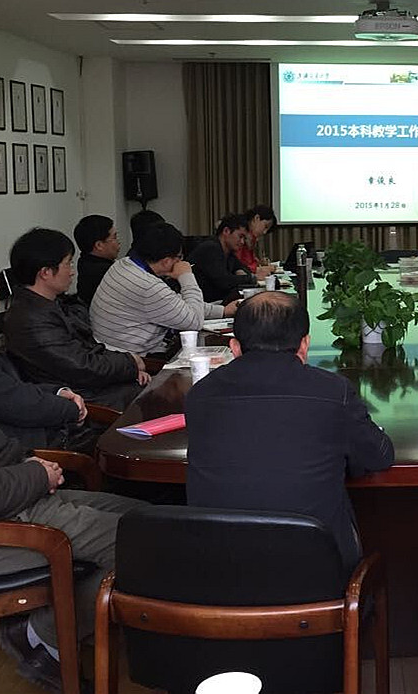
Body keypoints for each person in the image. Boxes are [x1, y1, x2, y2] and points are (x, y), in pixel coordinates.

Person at [185, 292, 394, 574]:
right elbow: (379, 456)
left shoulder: (200, 395)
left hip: (218, 570)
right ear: (304, 344)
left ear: (234, 347)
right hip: (317, 571)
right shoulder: (333, 391)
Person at [0, 399, 143, 691]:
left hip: (13, 498)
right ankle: (43, 635)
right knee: (144, 543)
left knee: (143, 517)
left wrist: (29, 462)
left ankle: (45, 630)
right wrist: (38, 475)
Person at [3, 228, 148, 410]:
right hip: (81, 398)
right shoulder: (31, 320)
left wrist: (129, 365)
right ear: (45, 272)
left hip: (90, 386)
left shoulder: (50, 304)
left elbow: (88, 349)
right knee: (158, 398)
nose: (72, 272)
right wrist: (130, 363)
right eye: (68, 264)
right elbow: (82, 367)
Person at [0, 257, 94, 452]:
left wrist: (58, 392)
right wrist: (71, 409)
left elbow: (12, 387)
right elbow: (14, 403)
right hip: (21, 449)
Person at [91, 222, 238, 355]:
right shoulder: (147, 286)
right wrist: (187, 276)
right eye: (179, 257)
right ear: (166, 261)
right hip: (135, 359)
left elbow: (174, 304)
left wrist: (223, 311)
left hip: (111, 351)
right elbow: (194, 322)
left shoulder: (124, 264)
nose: (181, 262)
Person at [187, 213, 270, 303]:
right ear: (226, 231)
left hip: (216, 300)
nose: (242, 242)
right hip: (203, 303)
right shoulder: (211, 248)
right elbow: (224, 281)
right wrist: (252, 278)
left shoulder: (228, 252)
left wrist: (240, 272)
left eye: (244, 238)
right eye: (240, 236)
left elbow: (243, 268)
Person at [72, 214, 120, 306]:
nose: (118, 242)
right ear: (99, 245)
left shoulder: (85, 260)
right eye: (114, 237)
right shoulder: (107, 272)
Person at [234, 203, 276, 273]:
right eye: (265, 226)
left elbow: (249, 261)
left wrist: (259, 263)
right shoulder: (241, 235)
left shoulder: (252, 238)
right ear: (256, 218)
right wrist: (260, 269)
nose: (264, 232)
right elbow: (239, 265)